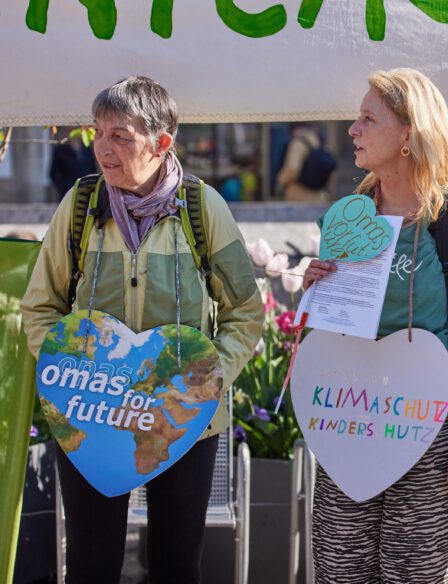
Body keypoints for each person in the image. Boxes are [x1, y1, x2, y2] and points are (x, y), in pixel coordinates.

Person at [21, 76, 264, 584]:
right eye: (98, 134)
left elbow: (245, 310)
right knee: (91, 564)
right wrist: (69, 374)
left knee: (177, 565)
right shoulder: (82, 207)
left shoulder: (202, 208)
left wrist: (204, 378)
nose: (103, 150)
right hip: (91, 412)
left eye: (121, 137)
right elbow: (40, 306)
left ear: (162, 144)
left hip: (183, 419)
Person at [302, 68, 448, 583]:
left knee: (414, 572)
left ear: (409, 133)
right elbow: (333, 327)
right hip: (349, 412)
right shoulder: (346, 217)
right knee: (340, 566)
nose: (352, 130)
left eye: (368, 118)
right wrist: (315, 291)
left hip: (431, 424)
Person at [275, 122, 330, 201]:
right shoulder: (318, 140)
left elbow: (292, 170)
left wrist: (280, 181)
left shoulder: (298, 143)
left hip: (299, 194)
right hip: (318, 195)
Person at [49, 130, 97, 200]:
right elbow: (53, 174)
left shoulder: (87, 149)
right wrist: (62, 186)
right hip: (66, 193)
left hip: (86, 194)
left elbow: (93, 170)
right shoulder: (60, 150)